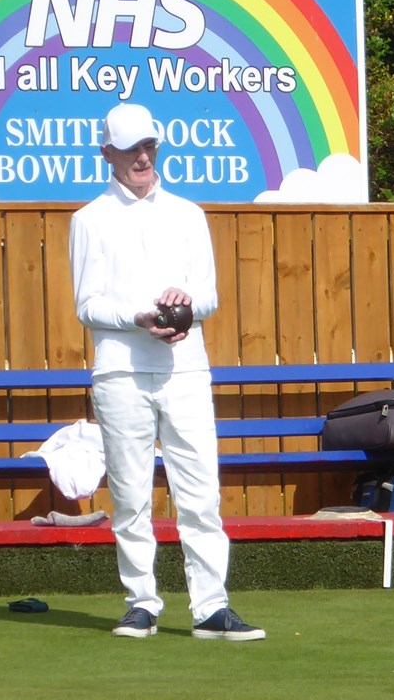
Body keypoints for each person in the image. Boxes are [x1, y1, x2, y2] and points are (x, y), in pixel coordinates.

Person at [69, 102, 264, 640]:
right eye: (130, 147)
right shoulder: (88, 220)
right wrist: (136, 318)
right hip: (120, 374)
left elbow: (209, 295)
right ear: (106, 153)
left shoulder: (188, 214)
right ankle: (142, 603)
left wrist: (188, 303)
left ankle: (211, 607)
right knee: (130, 497)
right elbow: (87, 305)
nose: (142, 156)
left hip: (185, 371)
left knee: (201, 493)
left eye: (148, 145)